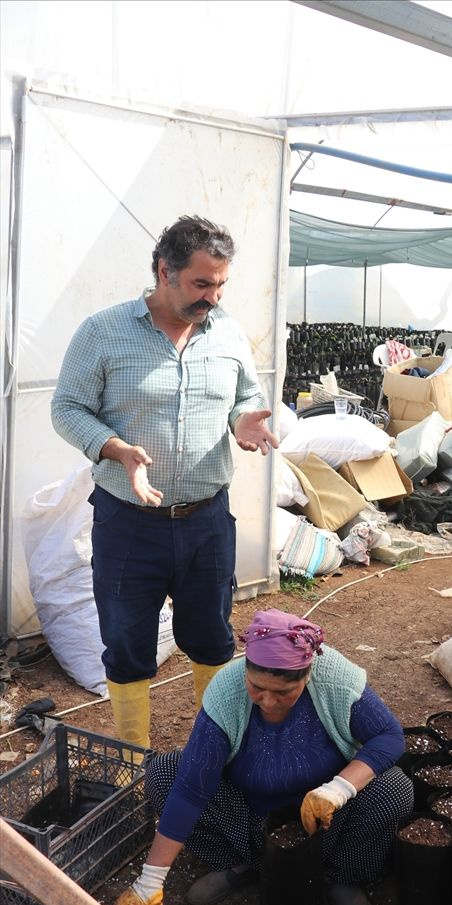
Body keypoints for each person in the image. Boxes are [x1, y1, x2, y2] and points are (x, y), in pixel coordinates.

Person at [51, 215, 279, 750]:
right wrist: (116, 449)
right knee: (127, 642)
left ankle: (210, 754)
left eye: (221, 284)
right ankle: (136, 758)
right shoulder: (103, 332)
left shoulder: (227, 332)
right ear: (164, 271)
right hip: (128, 522)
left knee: (210, 638)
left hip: (206, 519)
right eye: (201, 284)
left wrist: (242, 418)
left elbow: (245, 395)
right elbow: (67, 408)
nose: (213, 297)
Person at [112, 610, 414, 905]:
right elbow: (191, 789)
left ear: (307, 675)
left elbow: (389, 735)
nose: (268, 702)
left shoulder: (336, 680)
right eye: (257, 688)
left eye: (284, 692)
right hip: (246, 813)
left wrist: (339, 789)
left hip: (326, 817)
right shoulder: (226, 693)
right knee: (163, 776)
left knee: (394, 790)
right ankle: (244, 865)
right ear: (246, 670)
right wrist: (149, 881)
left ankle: (340, 875)